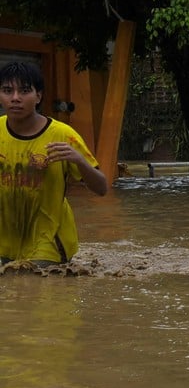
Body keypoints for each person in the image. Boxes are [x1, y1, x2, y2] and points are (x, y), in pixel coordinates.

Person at [0, 61, 108, 266]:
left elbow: (102, 188)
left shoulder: (62, 135)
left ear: (38, 96)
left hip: (49, 241)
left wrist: (79, 161)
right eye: (7, 91)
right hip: (5, 241)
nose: (15, 98)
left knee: (38, 288)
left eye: (24, 91)